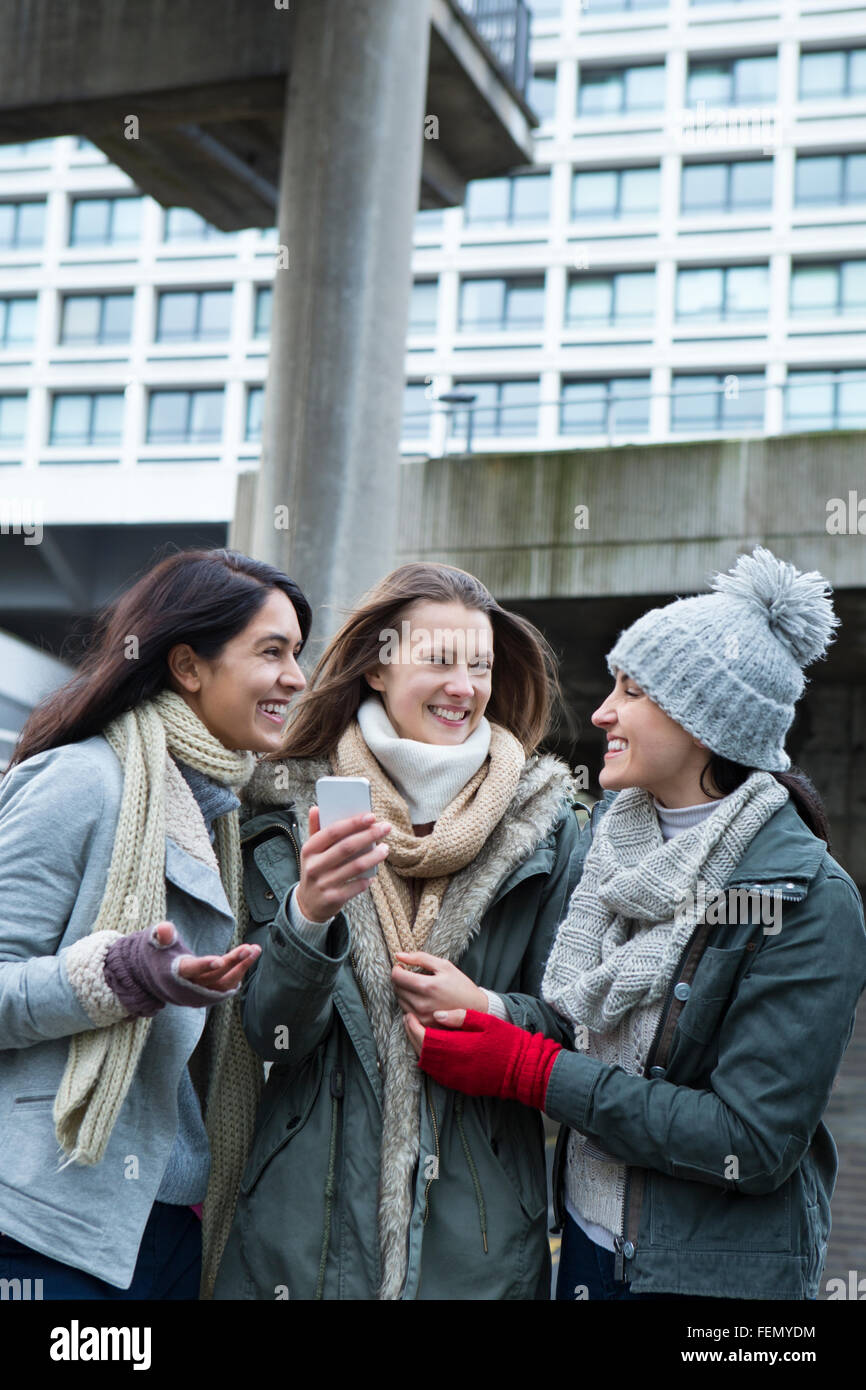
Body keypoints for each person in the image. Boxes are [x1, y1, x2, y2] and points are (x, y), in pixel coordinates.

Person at [410, 547, 866, 1301]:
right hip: (587, 1257)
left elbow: (750, 1143)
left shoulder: (804, 897)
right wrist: (490, 1011)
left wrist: (529, 1072)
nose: (601, 713)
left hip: (706, 1285)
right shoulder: (608, 847)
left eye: (633, 691)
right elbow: (583, 1021)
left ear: (703, 720)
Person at [213, 561, 584, 1300]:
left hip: (476, 1248)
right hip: (304, 1240)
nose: (465, 687)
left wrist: (489, 1011)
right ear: (378, 668)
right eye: (440, 661)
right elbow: (269, 1032)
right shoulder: (284, 809)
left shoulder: (548, 826)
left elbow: (578, 1028)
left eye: (479, 665)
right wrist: (309, 914)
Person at [0, 547, 311, 1299]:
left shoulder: (223, 816)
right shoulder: (82, 780)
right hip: (46, 1224)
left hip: (169, 1226)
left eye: (298, 654)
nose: (296, 678)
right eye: (272, 652)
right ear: (187, 666)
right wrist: (116, 976)